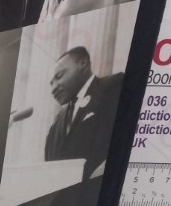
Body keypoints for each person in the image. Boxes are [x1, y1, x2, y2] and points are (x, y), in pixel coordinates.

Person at [44, 46, 124, 179]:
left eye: (59, 76)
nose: (53, 88)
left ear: (83, 64)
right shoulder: (57, 122)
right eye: (51, 84)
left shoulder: (113, 87)